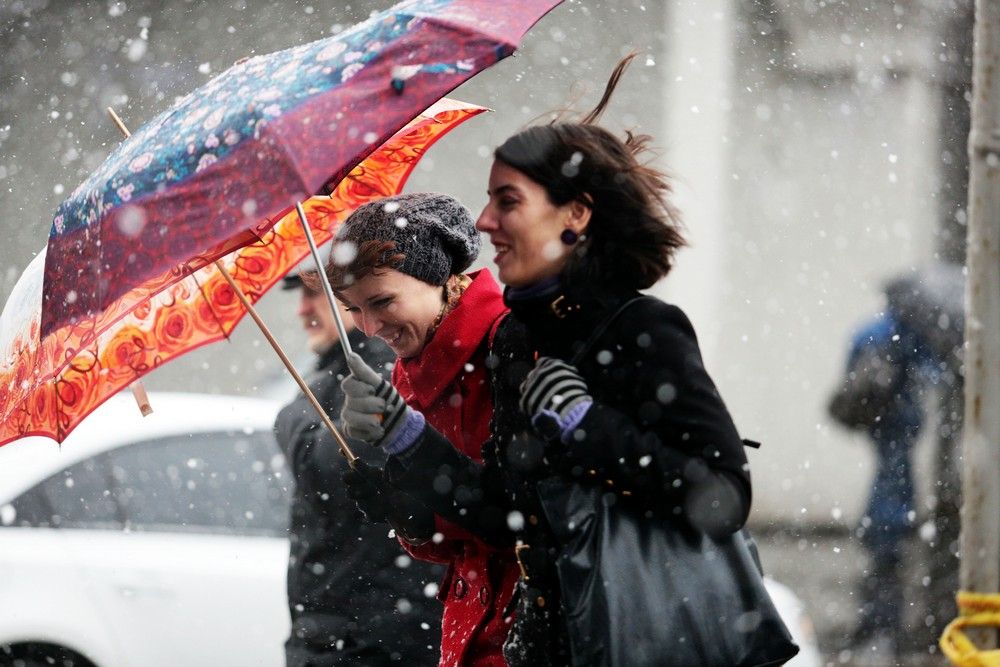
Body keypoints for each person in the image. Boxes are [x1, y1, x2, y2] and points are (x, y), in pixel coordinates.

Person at [339, 56, 755, 665]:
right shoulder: (520, 342)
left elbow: (724, 498)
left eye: (507, 202)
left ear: (574, 217)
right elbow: (510, 516)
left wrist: (588, 427)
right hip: (536, 642)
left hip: (624, 637)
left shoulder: (644, 329)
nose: (483, 223)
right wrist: (407, 459)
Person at [323, 192, 528, 667]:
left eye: (382, 301)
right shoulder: (406, 371)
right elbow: (462, 543)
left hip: (531, 633)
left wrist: (412, 448)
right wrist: (412, 516)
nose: (370, 328)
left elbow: (515, 518)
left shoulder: (513, 344)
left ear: (437, 277)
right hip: (469, 634)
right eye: (353, 309)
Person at [273, 265, 441, 666]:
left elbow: (328, 464)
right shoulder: (335, 374)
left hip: (369, 640)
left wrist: (291, 417)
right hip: (344, 634)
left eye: (312, 294)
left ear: (351, 298)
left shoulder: (381, 372)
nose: (301, 310)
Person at [827, 262, 964, 659]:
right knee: (904, 543)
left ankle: (885, 628)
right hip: (909, 464)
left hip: (901, 462)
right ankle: (900, 629)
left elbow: (850, 405)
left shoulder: (885, 333)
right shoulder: (912, 339)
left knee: (890, 543)